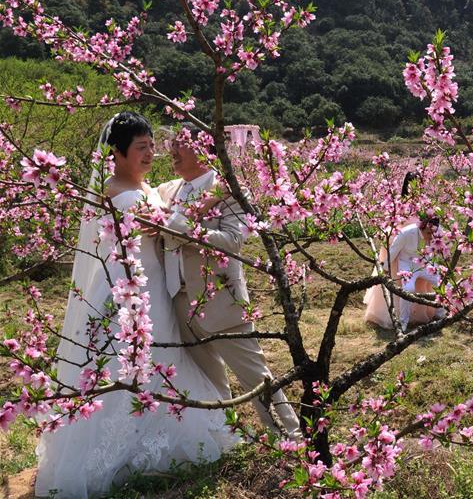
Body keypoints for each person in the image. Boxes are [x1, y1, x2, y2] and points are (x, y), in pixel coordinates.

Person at [35, 112, 236, 499]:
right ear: (118, 153)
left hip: (150, 285)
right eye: (141, 148)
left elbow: (169, 208)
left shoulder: (142, 187)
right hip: (127, 294)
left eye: (151, 147)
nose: (150, 155)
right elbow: (165, 224)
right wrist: (217, 197)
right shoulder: (117, 192)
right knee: (127, 362)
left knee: (158, 359)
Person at [156, 124, 300, 438]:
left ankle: (290, 437)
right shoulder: (168, 190)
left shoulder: (228, 190)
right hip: (177, 300)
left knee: (255, 375)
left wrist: (182, 226)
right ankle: (223, 437)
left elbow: (233, 241)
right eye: (172, 144)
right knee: (205, 378)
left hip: (219, 298)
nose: (172, 151)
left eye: (181, 144)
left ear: (205, 147)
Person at [363, 215, 443, 331]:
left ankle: (442, 313)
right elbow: (393, 251)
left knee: (443, 284)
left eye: (433, 233)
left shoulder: (437, 231)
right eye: (428, 232)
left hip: (426, 264)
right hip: (407, 265)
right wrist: (385, 269)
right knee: (408, 289)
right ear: (423, 227)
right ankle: (403, 322)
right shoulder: (406, 233)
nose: (431, 236)